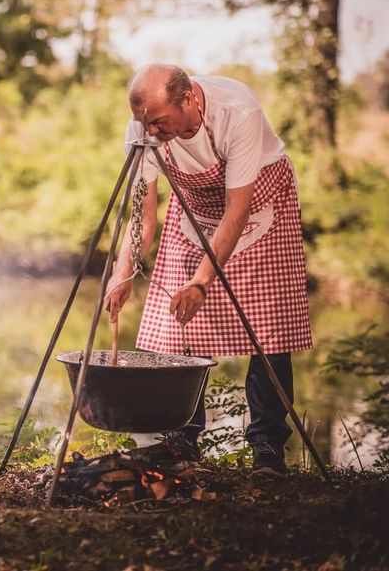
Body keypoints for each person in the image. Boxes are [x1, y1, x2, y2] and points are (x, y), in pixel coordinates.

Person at [103, 64, 313, 476]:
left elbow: (237, 211)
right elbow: (142, 216)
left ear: (187, 99)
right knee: (178, 324)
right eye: (143, 123)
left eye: (160, 122)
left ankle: (268, 448)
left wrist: (202, 281)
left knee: (266, 329)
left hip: (259, 207)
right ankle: (182, 438)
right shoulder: (143, 129)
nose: (151, 132)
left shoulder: (237, 111)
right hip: (196, 208)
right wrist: (122, 270)